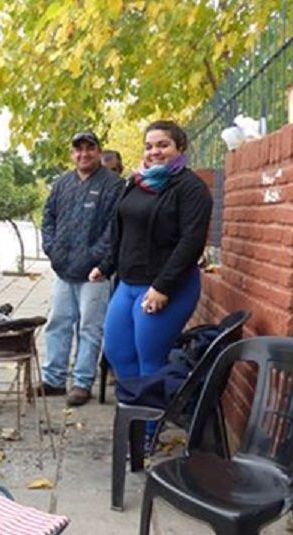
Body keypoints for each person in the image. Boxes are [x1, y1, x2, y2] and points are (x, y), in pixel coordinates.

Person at [94, 120, 213, 388]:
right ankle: (132, 410)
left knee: (151, 359)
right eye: (149, 146)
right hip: (127, 284)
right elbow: (122, 229)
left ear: (180, 147)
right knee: (117, 352)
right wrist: (106, 265)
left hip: (165, 287)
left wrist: (162, 287)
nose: (154, 152)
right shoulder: (136, 182)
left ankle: (152, 415)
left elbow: (191, 241)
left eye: (163, 145)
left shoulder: (191, 188)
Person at [39, 131, 124, 406]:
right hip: (63, 269)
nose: (83, 154)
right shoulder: (62, 183)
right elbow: (48, 217)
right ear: (72, 153)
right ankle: (53, 379)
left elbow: (114, 229)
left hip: (94, 273)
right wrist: (52, 249)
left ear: (98, 151)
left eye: (90, 148)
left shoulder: (113, 185)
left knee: (90, 328)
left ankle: (82, 383)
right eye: (78, 149)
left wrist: (97, 260)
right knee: (57, 323)